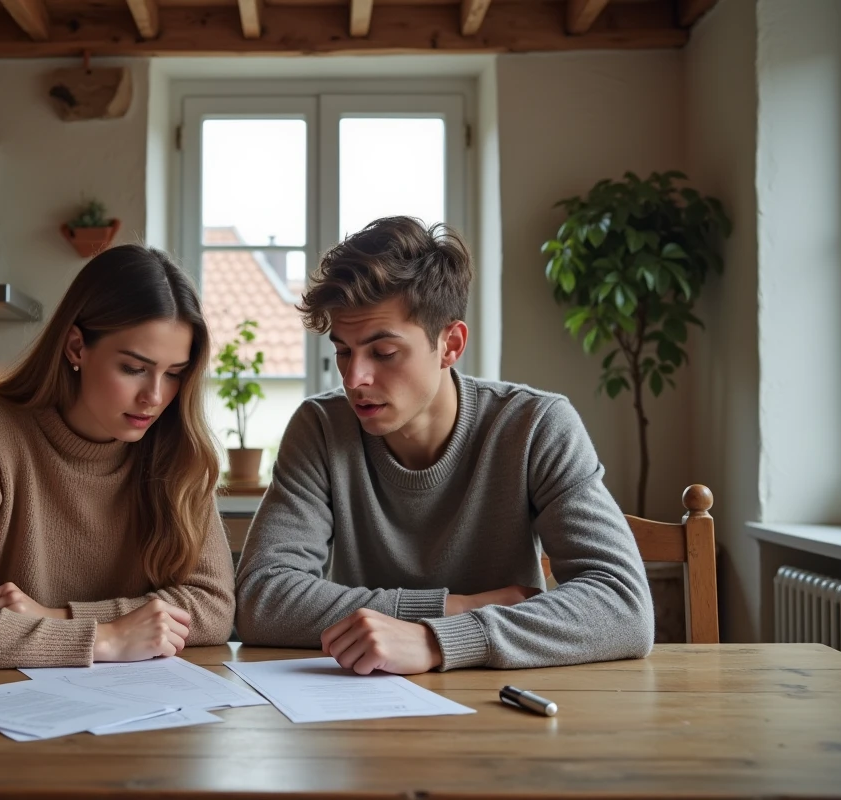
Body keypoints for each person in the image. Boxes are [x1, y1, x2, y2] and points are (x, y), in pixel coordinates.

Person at [235, 216, 654, 675]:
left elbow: (623, 606)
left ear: (450, 344)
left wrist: (435, 643)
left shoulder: (536, 425)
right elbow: (262, 598)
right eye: (343, 351)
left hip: (506, 704)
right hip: (360, 703)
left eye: (383, 352)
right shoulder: (320, 428)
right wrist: (452, 608)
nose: (355, 379)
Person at [0, 245, 235, 668]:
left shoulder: (178, 446)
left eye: (173, 374)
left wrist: (59, 618)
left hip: (145, 710)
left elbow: (212, 609)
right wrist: (108, 640)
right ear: (77, 347)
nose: (155, 397)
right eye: (134, 368)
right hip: (6, 704)